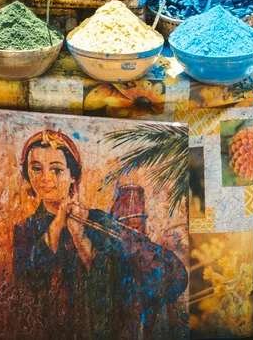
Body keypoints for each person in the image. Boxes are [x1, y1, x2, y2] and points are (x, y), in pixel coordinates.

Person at [13, 128, 187, 340]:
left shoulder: (98, 221)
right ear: (27, 174)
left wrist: (80, 236)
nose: (45, 178)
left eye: (56, 170)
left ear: (72, 176)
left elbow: (166, 275)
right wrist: (58, 224)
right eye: (36, 168)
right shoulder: (26, 229)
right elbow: (29, 284)